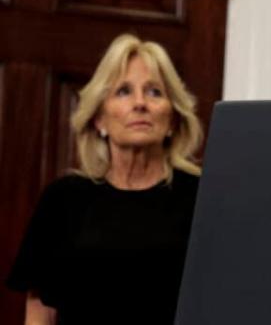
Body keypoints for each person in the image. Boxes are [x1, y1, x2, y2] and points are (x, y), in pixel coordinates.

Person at [6, 34, 203, 325]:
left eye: (154, 92)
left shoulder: (202, 198)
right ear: (99, 119)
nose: (140, 103)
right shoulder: (64, 199)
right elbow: (41, 306)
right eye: (123, 91)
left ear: (173, 119)